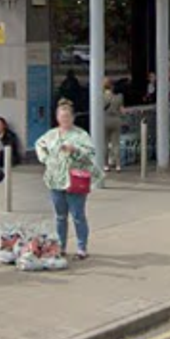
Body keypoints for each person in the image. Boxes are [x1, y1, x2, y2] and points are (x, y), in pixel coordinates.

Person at [34, 98, 101, 262]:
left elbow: (91, 153)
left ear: (72, 118)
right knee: (60, 216)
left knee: (78, 215)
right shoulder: (51, 135)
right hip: (56, 180)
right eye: (61, 117)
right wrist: (45, 158)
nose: (64, 120)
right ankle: (61, 246)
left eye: (67, 117)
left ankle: (81, 247)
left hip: (75, 181)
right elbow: (39, 145)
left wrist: (75, 150)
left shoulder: (81, 135)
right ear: (57, 117)